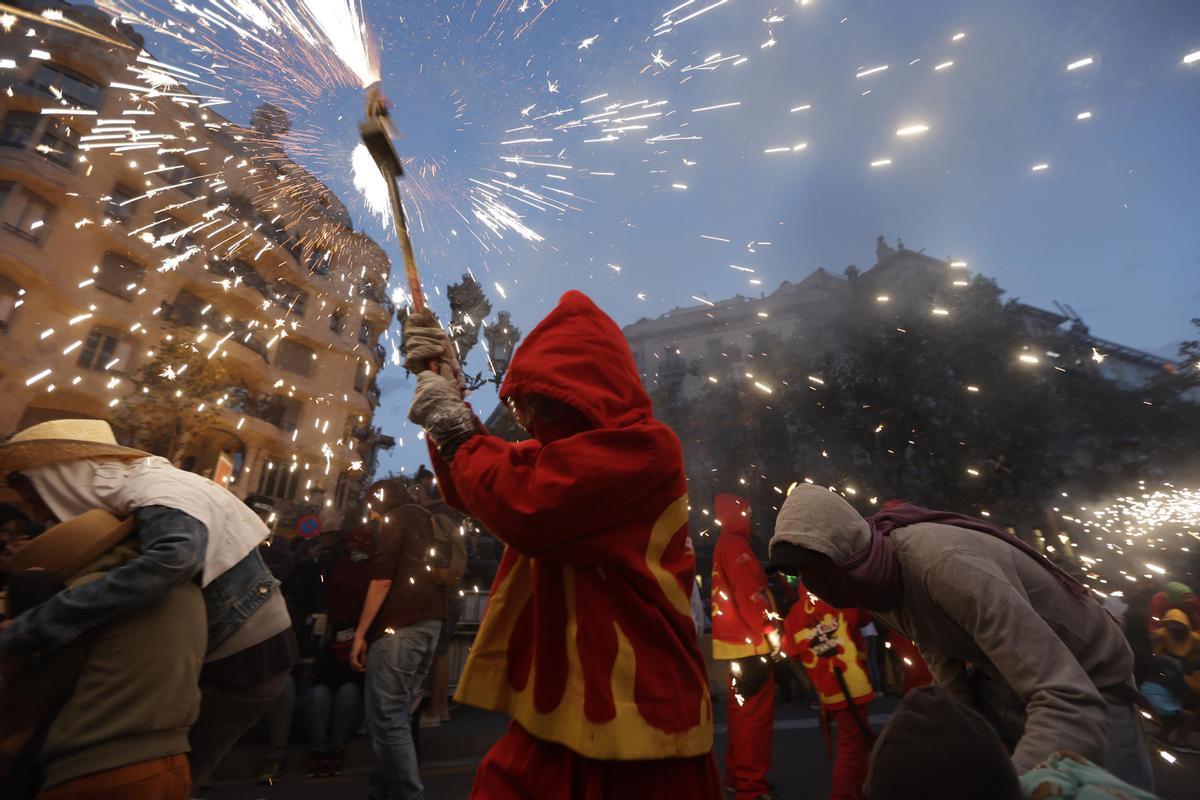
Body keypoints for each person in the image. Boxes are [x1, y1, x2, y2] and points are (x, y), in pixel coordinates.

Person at [403, 290, 720, 799]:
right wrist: (446, 387)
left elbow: (527, 504)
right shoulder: (559, 454)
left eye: (540, 401)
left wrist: (454, 425)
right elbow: (479, 483)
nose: (528, 417)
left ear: (585, 393)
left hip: (641, 722)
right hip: (561, 709)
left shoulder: (647, 447)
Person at [766, 485, 1152, 790]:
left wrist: (1007, 788)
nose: (810, 585)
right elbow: (939, 654)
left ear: (848, 554)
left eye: (815, 569)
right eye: (798, 575)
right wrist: (963, 744)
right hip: (1005, 686)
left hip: (1092, 683)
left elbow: (1069, 698)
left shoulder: (946, 566)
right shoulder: (872, 583)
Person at [0, 419, 297, 788]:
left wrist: (34, 628)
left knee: (161, 775)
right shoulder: (142, 488)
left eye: (37, 499)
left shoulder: (155, 487)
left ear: (61, 477)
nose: (40, 516)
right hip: (228, 657)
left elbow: (172, 560)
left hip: (242, 663)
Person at [4, 509, 204, 799]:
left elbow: (47, 687)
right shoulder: (190, 591)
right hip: (174, 762)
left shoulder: (91, 593)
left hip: (101, 767)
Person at [350, 478, 447, 800]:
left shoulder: (396, 519)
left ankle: (408, 795)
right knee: (400, 714)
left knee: (388, 718)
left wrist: (361, 633)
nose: (373, 517)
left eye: (372, 509)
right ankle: (384, 791)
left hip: (399, 627)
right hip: (430, 624)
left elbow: (382, 580)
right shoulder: (425, 517)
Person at [710, 492, 778, 800]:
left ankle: (737, 778)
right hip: (752, 648)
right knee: (754, 721)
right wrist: (770, 632)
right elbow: (753, 597)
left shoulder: (722, 545)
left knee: (740, 718)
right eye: (747, 512)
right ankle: (752, 787)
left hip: (734, 647)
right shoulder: (738, 547)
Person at [781, 586, 875, 800]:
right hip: (852, 680)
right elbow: (864, 617)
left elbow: (791, 650)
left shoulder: (795, 613)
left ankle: (864, 790)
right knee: (851, 746)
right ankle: (842, 795)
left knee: (855, 741)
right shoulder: (837, 597)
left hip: (827, 687)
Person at [306, 525, 374, 777]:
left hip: (353, 640)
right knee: (322, 692)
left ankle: (331, 749)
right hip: (334, 641)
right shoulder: (337, 562)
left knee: (346, 691)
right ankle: (322, 749)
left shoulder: (363, 566)